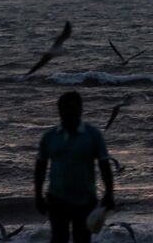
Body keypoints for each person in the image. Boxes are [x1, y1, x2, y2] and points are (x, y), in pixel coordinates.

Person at [35, 91, 115, 243]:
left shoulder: (93, 135)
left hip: (85, 200)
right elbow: (40, 167)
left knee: (83, 239)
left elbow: (104, 165)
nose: (68, 111)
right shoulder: (49, 136)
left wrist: (109, 193)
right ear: (59, 110)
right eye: (64, 108)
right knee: (58, 238)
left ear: (80, 109)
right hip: (56, 198)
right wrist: (38, 195)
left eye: (72, 107)